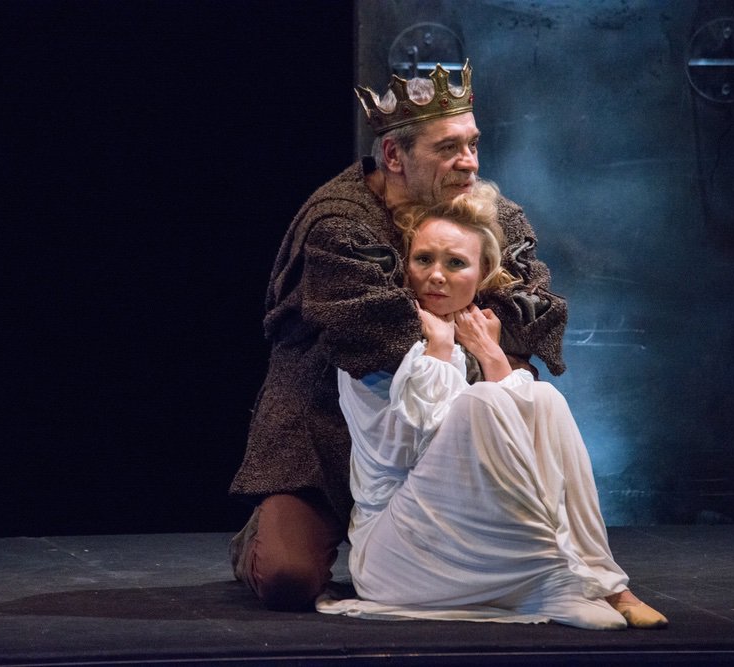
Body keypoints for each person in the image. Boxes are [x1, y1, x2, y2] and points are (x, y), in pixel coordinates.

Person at [228, 61, 567, 611]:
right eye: (449, 148)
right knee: (288, 580)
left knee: (510, 552)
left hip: (446, 418)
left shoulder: (493, 213)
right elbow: (375, 333)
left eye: (473, 144)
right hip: (330, 425)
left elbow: (532, 309)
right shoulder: (340, 222)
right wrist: (478, 343)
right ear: (393, 155)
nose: (469, 162)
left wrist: (470, 350)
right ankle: (260, 538)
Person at [318, 185, 668, 629]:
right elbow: (403, 454)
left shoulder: (476, 336)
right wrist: (439, 351)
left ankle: (604, 580)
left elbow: (515, 434)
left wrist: (491, 355)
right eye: (423, 259)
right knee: (483, 399)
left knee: (544, 398)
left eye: (455, 263)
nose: (436, 276)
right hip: (395, 549)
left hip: (463, 537)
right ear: (406, 265)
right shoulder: (376, 340)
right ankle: (550, 582)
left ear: (482, 274)